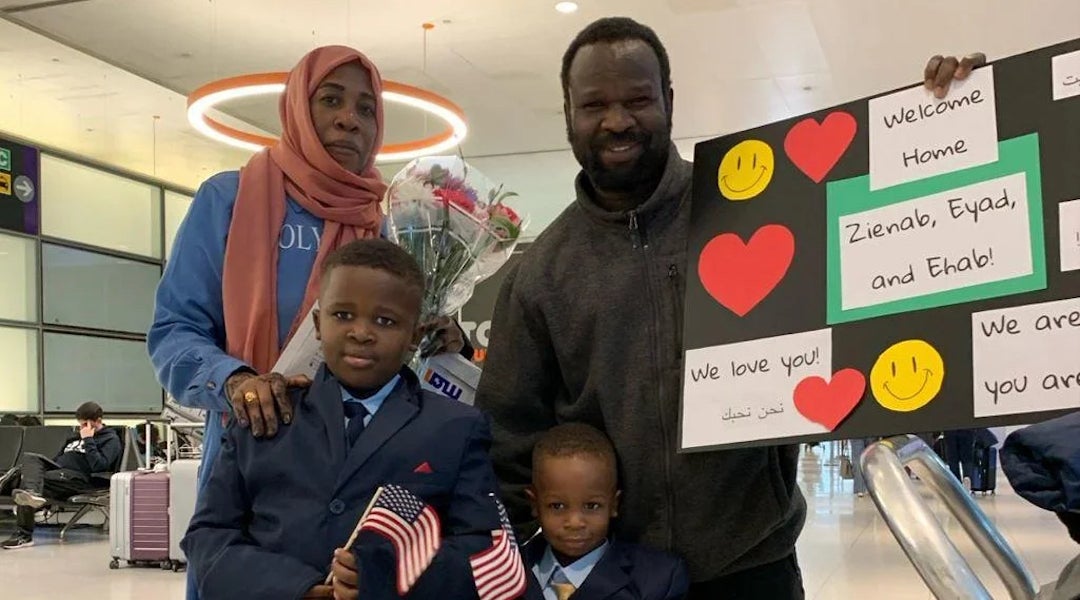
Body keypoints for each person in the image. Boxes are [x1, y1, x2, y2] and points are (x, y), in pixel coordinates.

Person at [475, 15, 985, 599]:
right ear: (569, 114)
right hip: (613, 575)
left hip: (754, 564)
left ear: (668, 100)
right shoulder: (541, 274)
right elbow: (508, 440)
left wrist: (957, 118)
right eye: (594, 105)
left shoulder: (757, 208)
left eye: (638, 99)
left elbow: (897, 259)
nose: (616, 121)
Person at [147, 45, 469, 599]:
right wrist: (238, 382)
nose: (349, 117)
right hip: (255, 456)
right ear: (297, 106)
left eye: (367, 109)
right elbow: (173, 332)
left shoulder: (393, 222)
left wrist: (440, 337)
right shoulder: (228, 199)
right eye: (331, 99)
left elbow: (393, 349)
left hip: (370, 479)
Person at [183, 239, 517, 600]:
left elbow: (488, 552)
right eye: (342, 315)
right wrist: (299, 589)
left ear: (414, 336)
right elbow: (208, 537)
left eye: (385, 321)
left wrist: (388, 577)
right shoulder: (266, 415)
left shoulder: (456, 427)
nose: (361, 333)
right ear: (317, 323)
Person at [522, 422, 688, 600]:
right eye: (557, 506)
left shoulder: (658, 579)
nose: (575, 523)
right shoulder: (506, 570)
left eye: (592, 506)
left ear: (614, 504)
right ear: (534, 503)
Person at [1, 401, 121, 550]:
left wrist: (88, 440)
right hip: (58, 473)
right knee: (30, 459)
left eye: (86, 425)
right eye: (81, 425)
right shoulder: (73, 438)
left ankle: (24, 532)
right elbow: (57, 459)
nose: (82, 428)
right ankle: (31, 494)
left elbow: (99, 465)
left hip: (77, 479)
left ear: (98, 421)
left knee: (25, 481)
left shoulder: (110, 439)